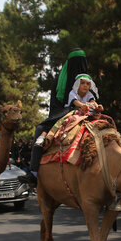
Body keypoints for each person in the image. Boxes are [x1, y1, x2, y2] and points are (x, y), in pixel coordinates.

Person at [19, 49, 90, 186]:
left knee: (40, 130)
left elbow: (55, 105)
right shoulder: (87, 79)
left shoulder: (60, 79)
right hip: (86, 112)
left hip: (63, 113)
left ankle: (33, 173)